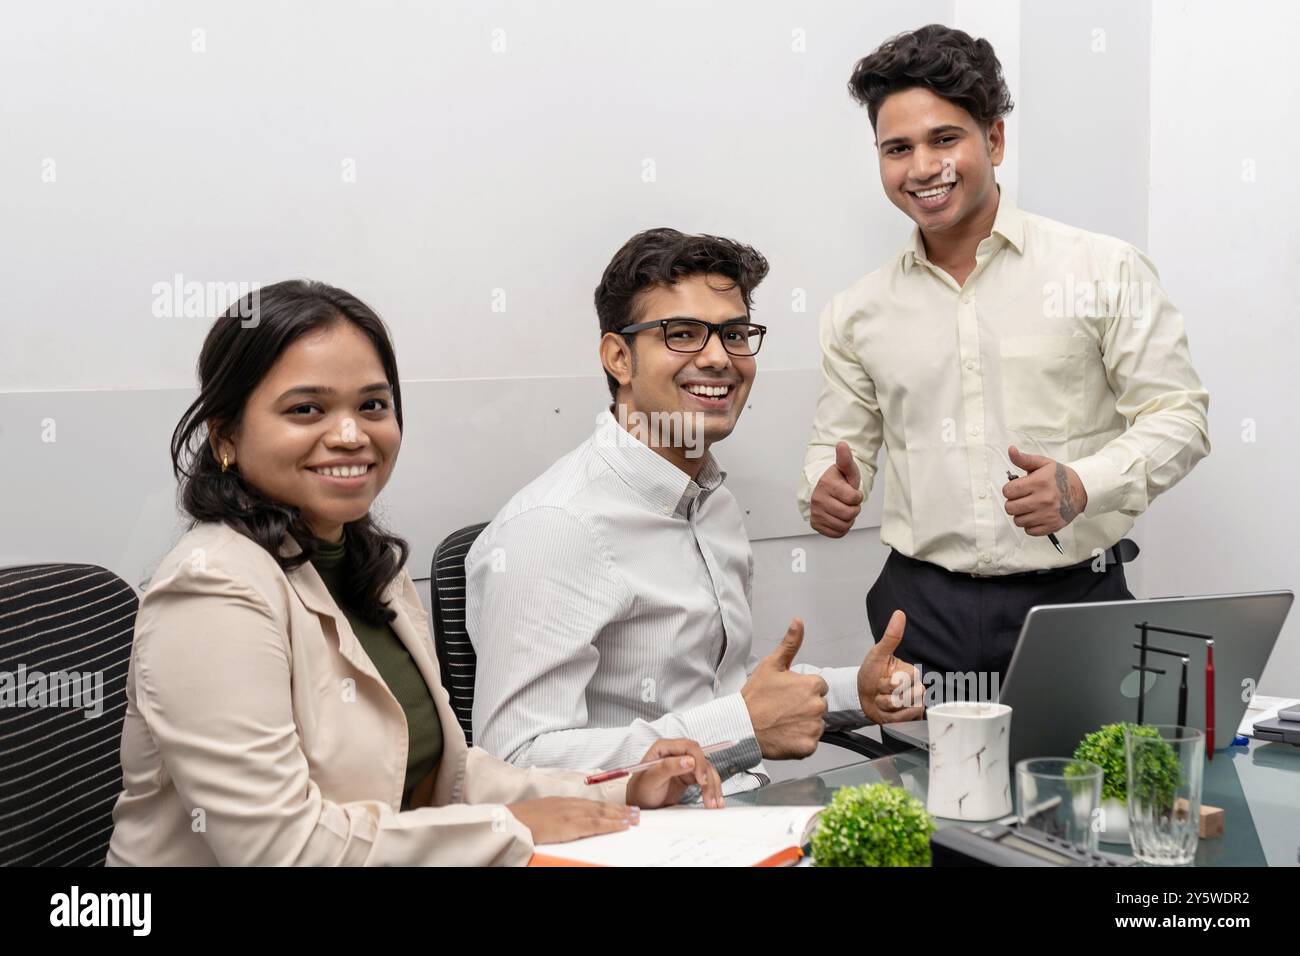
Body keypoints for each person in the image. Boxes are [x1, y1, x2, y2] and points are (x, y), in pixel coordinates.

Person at [106, 279, 723, 866]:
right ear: (226, 437)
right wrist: (509, 830)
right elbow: (279, 848)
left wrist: (616, 792)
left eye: (372, 405)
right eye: (306, 409)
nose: (351, 434)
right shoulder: (211, 590)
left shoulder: (368, 567)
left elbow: (443, 778)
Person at [799, 25, 1210, 694]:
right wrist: (824, 488)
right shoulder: (856, 311)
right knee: (924, 796)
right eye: (897, 148)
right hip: (918, 612)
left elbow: (1181, 419)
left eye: (944, 139)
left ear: (993, 139)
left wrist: (1083, 484)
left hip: (1074, 601)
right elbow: (838, 448)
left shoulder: (1102, 269)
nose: (922, 168)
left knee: (1090, 791)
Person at [467, 230, 922, 796]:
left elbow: (715, 686)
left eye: (734, 334)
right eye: (681, 334)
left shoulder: (712, 503)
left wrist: (859, 690)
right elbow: (516, 765)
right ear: (618, 357)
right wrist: (741, 728)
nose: (717, 357)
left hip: (742, 820)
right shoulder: (553, 527)